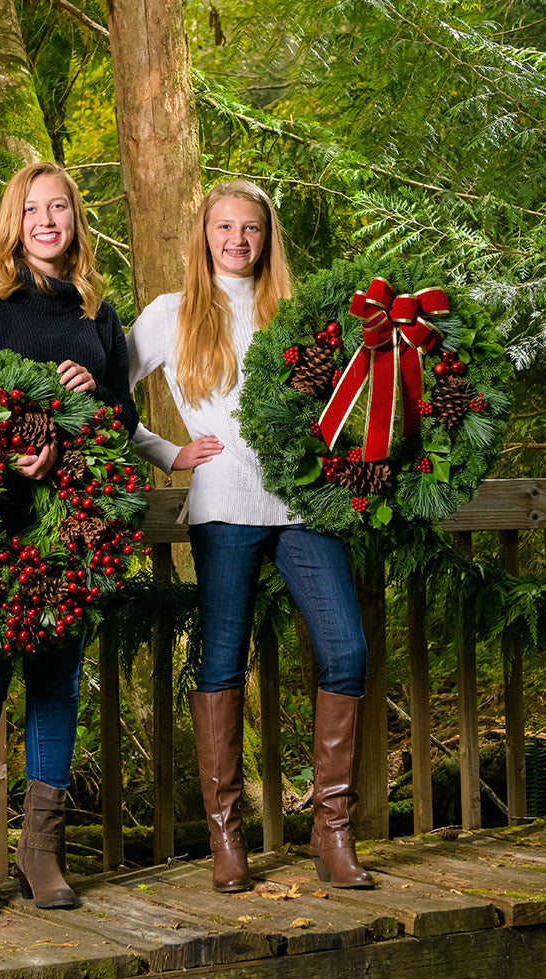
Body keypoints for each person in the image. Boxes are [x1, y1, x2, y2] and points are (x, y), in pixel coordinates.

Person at [126, 180, 373, 893]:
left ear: (268, 239)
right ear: (204, 235)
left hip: (305, 508)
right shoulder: (171, 315)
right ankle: (227, 840)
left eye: (251, 230)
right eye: (225, 227)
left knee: (347, 651)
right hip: (224, 508)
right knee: (223, 661)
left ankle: (332, 835)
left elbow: (339, 400)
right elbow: (105, 391)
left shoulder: (292, 313)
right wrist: (166, 452)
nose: (237, 240)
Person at [0, 161, 138, 916]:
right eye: (33, 209)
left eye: (60, 208)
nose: (48, 221)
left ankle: (39, 852)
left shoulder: (97, 313)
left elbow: (122, 420)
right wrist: (7, 446)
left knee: (56, 682)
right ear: (14, 222)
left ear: (76, 221)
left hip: (71, 528)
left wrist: (94, 401)